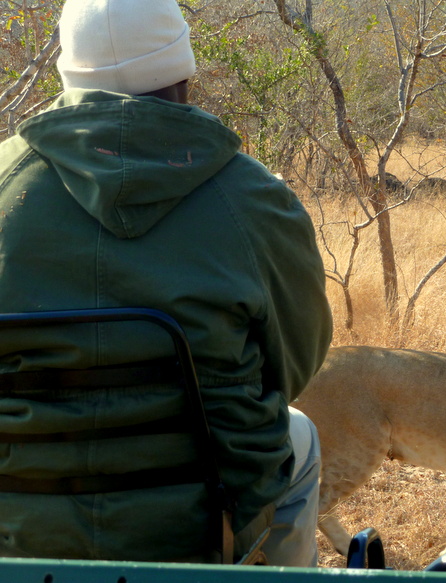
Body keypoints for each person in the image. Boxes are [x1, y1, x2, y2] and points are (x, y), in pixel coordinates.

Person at [0, 0, 332, 567]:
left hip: (21, 527)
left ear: (69, 71)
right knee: (301, 437)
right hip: (205, 523)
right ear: (182, 70)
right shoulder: (254, 199)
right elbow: (293, 367)